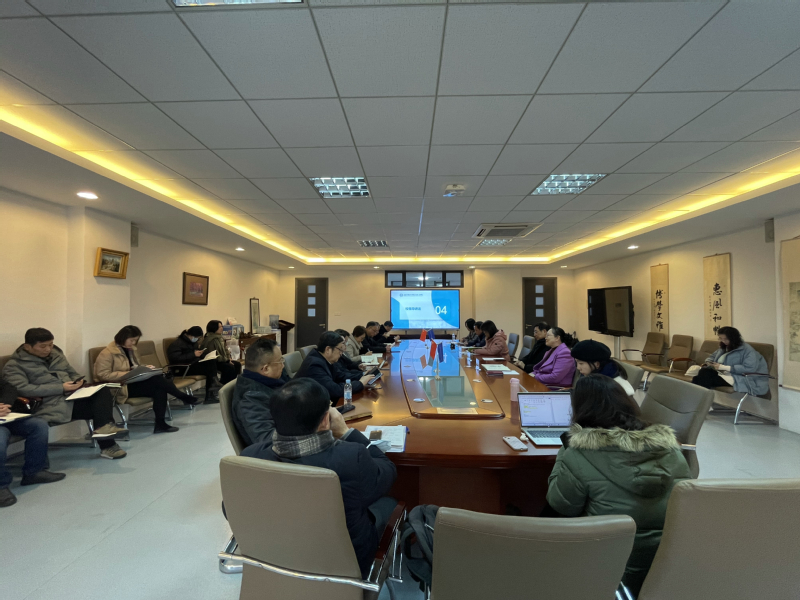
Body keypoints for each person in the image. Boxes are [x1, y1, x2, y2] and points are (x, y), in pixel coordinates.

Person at [547, 374, 691, 596]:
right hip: (663, 559)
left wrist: (565, 451)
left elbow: (561, 505)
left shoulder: (580, 453)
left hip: (605, 557)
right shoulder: (672, 450)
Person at [242, 378, 397, 579]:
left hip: (274, 561)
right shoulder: (350, 457)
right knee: (390, 504)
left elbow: (232, 510)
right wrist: (347, 432)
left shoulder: (250, 457)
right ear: (325, 420)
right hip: (344, 565)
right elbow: (387, 471)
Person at [3, 328, 127, 459]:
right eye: (43, 346)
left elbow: (72, 372)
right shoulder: (14, 366)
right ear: (27, 346)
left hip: (71, 398)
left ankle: (105, 432)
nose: (48, 349)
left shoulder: (56, 355)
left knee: (102, 390)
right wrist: (61, 388)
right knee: (101, 411)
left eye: (51, 345)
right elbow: (22, 389)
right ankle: (108, 444)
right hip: (50, 405)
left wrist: (78, 381)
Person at [94, 325, 199, 435]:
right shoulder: (107, 353)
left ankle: (160, 423)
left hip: (133, 382)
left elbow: (135, 366)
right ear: (123, 337)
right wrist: (127, 373)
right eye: (131, 340)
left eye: (135, 340)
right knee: (158, 381)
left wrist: (145, 368)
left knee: (160, 388)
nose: (133, 343)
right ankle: (182, 397)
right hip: (120, 388)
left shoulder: (131, 350)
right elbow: (102, 375)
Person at [1, 376, 66, 507]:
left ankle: (34, 472)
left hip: (5, 416)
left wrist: (4, 404)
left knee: (38, 425)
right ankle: (1, 486)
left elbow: (9, 388)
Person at [231, 338, 286, 448]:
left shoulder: (268, 384)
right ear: (265, 369)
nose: (283, 365)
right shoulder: (250, 399)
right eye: (280, 361)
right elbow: (269, 442)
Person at [294, 332, 373, 402]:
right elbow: (335, 390)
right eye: (340, 349)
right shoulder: (315, 365)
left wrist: (362, 375)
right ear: (328, 349)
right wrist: (360, 383)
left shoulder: (325, 358)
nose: (342, 353)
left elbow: (340, 375)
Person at [691, 326, 769, 395]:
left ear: (733, 338)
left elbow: (749, 368)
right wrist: (709, 363)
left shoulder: (747, 350)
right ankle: (702, 402)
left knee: (701, 377)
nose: (723, 341)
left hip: (740, 377)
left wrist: (723, 367)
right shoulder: (724, 347)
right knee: (701, 375)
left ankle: (701, 402)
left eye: (725, 339)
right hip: (723, 373)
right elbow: (712, 357)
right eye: (721, 338)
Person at [167, 326, 220, 403]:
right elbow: (174, 359)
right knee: (210, 368)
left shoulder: (193, 342)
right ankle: (212, 388)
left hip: (192, 365)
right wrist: (193, 355)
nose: (197, 339)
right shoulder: (176, 344)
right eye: (196, 337)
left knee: (211, 362)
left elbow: (194, 354)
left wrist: (203, 355)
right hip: (182, 369)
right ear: (190, 335)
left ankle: (213, 388)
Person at [571, 339, 635, 396]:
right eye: (576, 362)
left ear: (597, 364)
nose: (578, 367)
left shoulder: (615, 387)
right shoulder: (591, 377)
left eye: (581, 363)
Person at [202, 320, 242, 385]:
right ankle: (224, 385)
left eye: (222, 326)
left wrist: (229, 358)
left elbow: (226, 350)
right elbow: (214, 354)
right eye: (220, 327)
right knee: (229, 367)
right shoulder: (210, 339)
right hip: (215, 362)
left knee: (237, 364)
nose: (222, 328)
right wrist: (227, 360)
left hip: (223, 359)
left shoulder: (220, 338)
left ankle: (233, 385)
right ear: (214, 328)